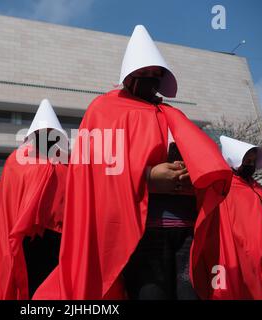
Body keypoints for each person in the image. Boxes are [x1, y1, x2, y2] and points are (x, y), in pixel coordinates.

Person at [33, 25, 232, 300]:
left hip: (186, 232)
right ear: (128, 76)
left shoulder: (171, 113)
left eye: (156, 75)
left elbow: (203, 161)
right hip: (142, 236)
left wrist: (189, 174)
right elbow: (95, 169)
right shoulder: (103, 110)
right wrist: (149, 176)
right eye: (144, 74)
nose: (151, 80)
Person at [0, 99, 68, 300]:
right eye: (43, 134)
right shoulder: (17, 160)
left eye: (51, 135)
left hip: (58, 239)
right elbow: (9, 200)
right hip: (26, 239)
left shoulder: (66, 165)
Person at [194, 135, 262, 299]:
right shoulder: (224, 185)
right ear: (235, 161)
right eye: (246, 161)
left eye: (252, 161)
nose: (250, 165)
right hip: (236, 249)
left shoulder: (256, 187)